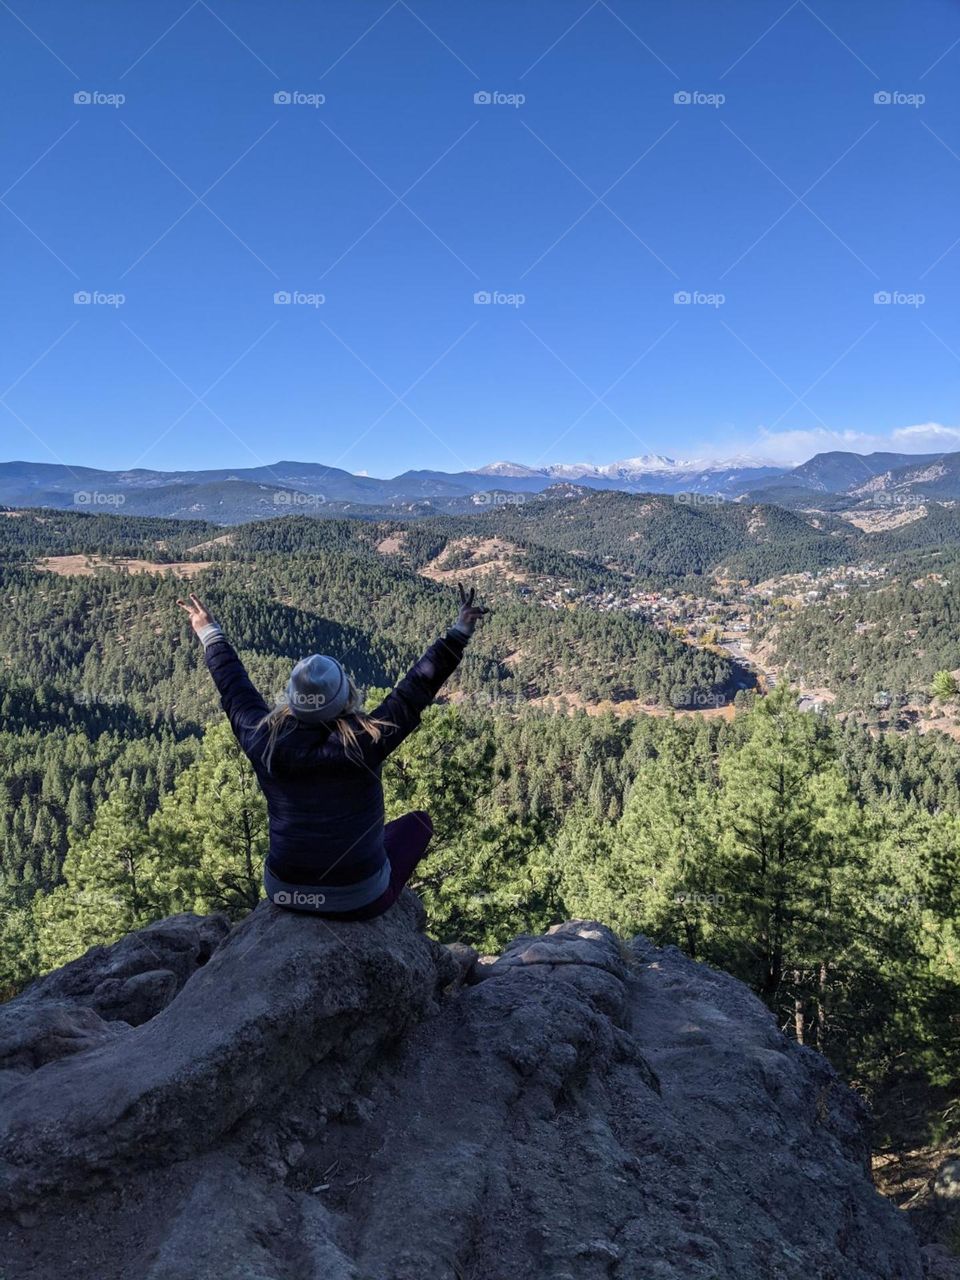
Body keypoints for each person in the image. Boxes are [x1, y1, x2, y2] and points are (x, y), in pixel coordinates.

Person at [176, 585, 488, 921]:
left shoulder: (262, 739)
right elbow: (417, 688)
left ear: (292, 699)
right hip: (359, 900)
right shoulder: (366, 741)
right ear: (346, 696)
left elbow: (233, 686)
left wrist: (209, 632)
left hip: (283, 891)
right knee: (417, 824)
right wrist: (459, 631)